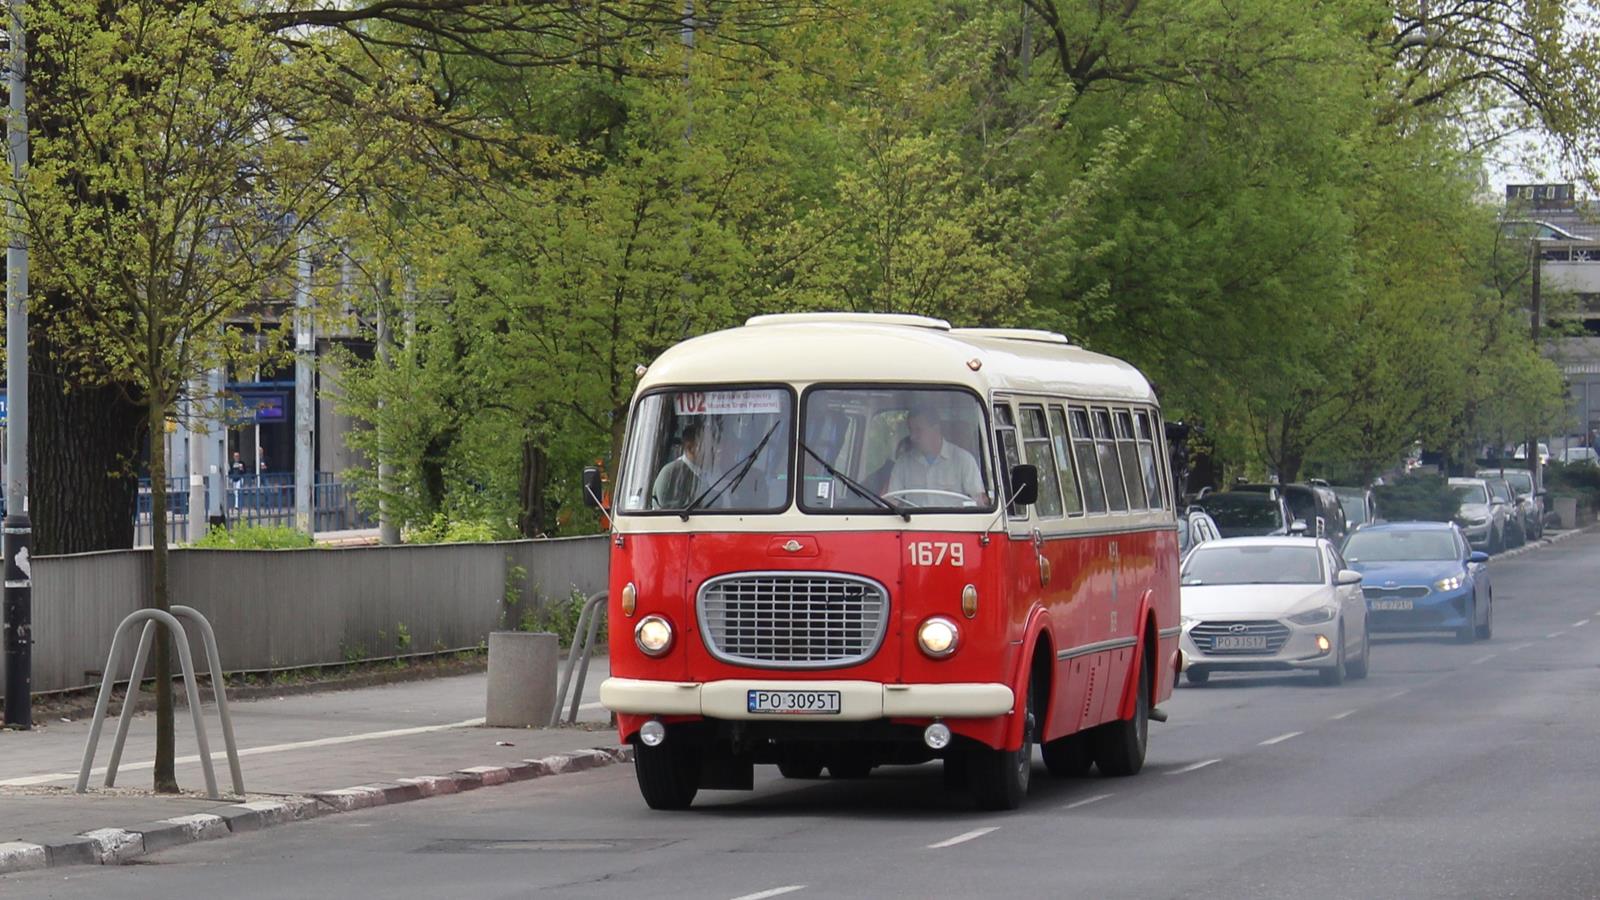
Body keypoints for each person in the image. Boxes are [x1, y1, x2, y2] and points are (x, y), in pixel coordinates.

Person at [887, 407, 988, 506]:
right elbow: (891, 501)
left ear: (935, 429)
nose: (912, 437)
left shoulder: (964, 460)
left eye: (918, 430)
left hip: (953, 521)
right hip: (911, 520)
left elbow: (979, 501)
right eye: (911, 430)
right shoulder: (903, 463)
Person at [651, 420, 707, 509]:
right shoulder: (671, 474)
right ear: (690, 448)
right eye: (709, 445)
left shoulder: (713, 472)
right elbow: (669, 515)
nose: (716, 450)